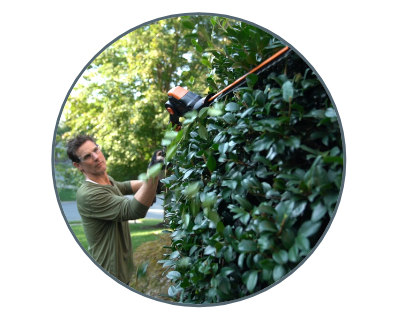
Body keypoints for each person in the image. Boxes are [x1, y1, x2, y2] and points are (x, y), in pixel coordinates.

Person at [66, 134, 164, 285]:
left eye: (96, 150)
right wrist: (153, 174)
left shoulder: (107, 181)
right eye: (87, 156)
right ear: (78, 165)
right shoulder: (89, 194)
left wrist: (157, 183)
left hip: (122, 272)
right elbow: (133, 210)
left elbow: (126, 186)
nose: (96, 157)